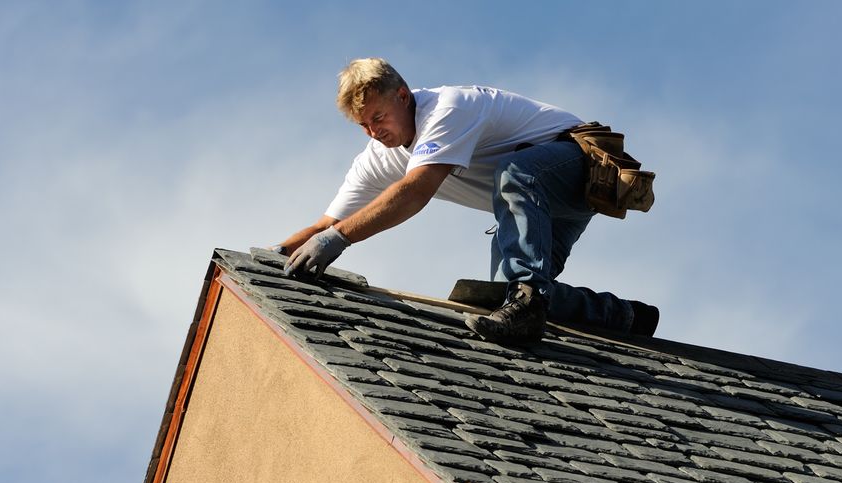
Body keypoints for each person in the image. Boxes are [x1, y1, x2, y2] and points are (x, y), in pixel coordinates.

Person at [276, 57, 658, 343]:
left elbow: (416, 191)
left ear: (403, 96)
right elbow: (326, 225)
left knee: (516, 176)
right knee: (512, 295)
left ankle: (526, 302)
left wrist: (340, 239)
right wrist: (273, 257)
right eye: (364, 125)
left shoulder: (446, 109)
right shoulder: (378, 157)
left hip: (577, 166)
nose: (374, 132)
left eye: (379, 117)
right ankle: (625, 317)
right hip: (541, 203)